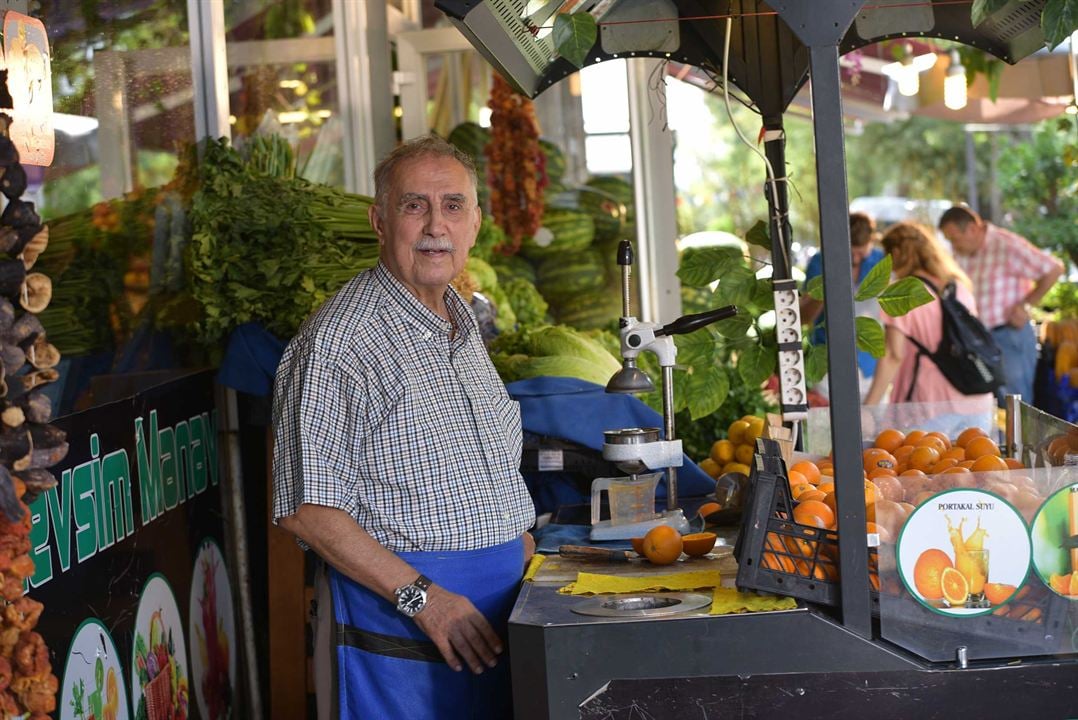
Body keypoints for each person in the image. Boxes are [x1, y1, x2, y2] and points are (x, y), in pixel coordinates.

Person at [271, 135, 536, 720]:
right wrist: (424, 600)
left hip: (499, 614)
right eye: (414, 205)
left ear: (475, 223)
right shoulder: (340, 342)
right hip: (408, 632)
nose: (435, 225)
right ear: (379, 220)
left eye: (453, 206)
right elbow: (306, 510)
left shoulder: (459, 317)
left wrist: (519, 544)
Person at [938, 206, 1064, 403]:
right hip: (978, 342)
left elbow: (1054, 269)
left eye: (954, 239)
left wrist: (1025, 305)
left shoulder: (1006, 245)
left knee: (1014, 407)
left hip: (1008, 337)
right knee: (990, 410)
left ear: (972, 229)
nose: (953, 246)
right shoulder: (962, 253)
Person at [863, 222, 993, 406]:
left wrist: (868, 408)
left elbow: (893, 355)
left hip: (929, 403)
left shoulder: (901, 294)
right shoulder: (958, 286)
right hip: (977, 400)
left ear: (897, 253)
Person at [801, 212, 886, 398]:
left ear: (872, 241)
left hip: (870, 364)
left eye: (861, 253)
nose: (855, 259)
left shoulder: (881, 262)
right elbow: (804, 317)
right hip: (829, 363)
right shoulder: (820, 261)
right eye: (850, 252)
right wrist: (831, 277)